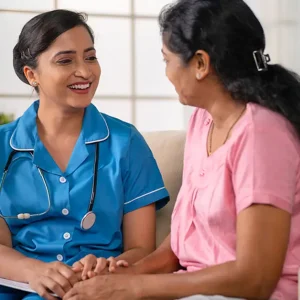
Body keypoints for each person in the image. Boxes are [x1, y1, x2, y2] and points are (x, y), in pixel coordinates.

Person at [63, 0, 300, 299]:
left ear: (200, 64)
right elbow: (182, 240)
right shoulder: (203, 120)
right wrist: (122, 275)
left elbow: (255, 278)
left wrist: (136, 288)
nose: (167, 73)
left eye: (167, 60)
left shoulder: (262, 134)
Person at [0, 9, 169, 300]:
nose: (85, 72)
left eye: (90, 57)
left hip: (99, 290)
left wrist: (110, 268)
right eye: (65, 60)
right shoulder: (4, 147)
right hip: (19, 288)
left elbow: (142, 248)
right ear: (32, 75)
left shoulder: (125, 143)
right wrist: (34, 271)